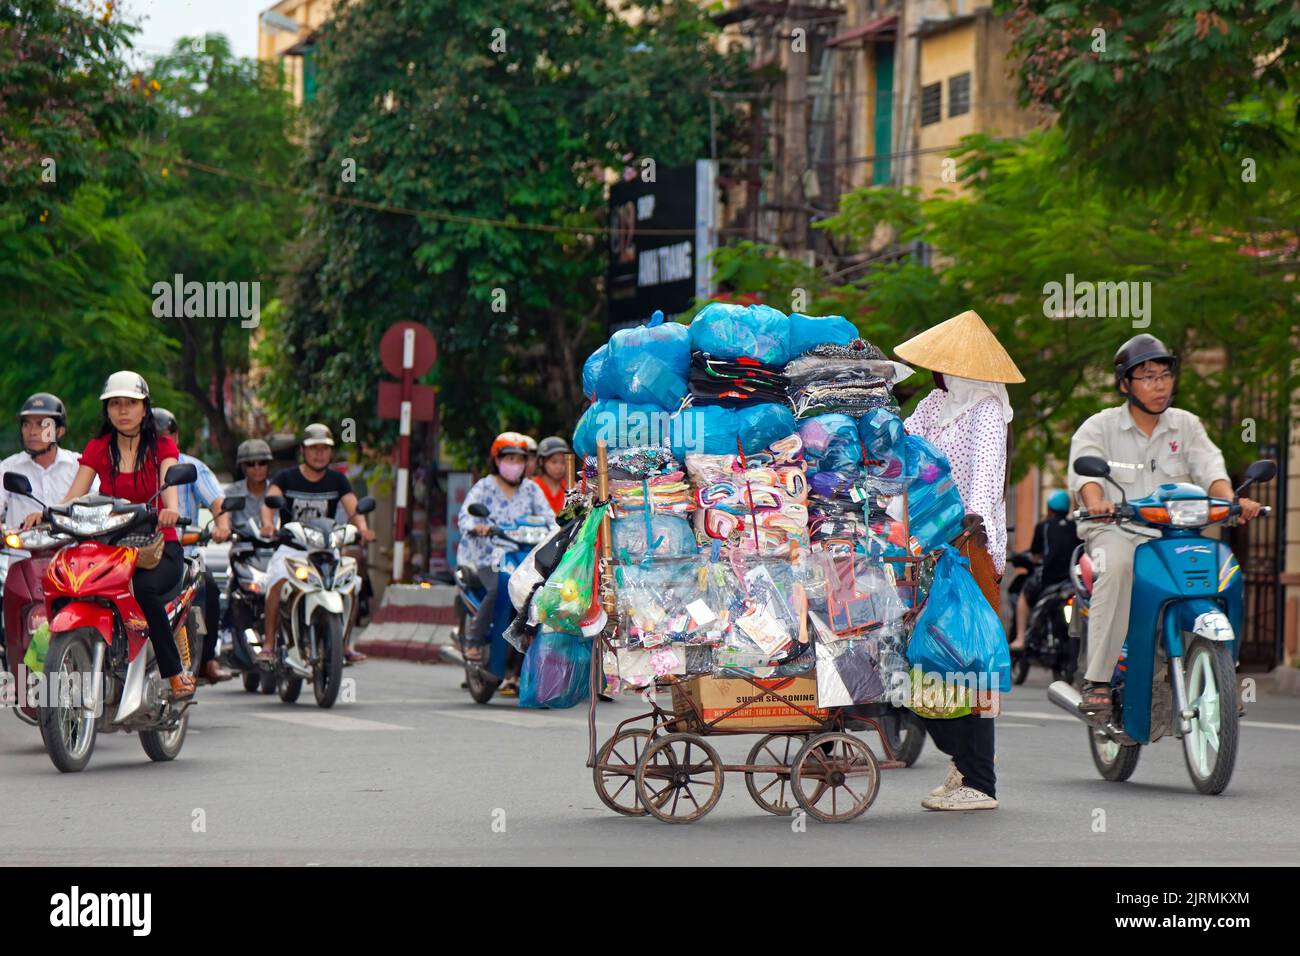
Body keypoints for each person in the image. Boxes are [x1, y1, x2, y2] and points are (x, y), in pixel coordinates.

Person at [1068, 334, 1261, 718]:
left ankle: (1220, 673)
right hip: (1116, 531)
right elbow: (1086, 475)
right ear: (1125, 384)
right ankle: (1099, 680)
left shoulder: (1186, 426)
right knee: (1119, 566)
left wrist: (1231, 502)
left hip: (1176, 536)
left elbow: (1212, 471)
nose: (1159, 385)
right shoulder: (1099, 427)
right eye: (1148, 376)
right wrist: (1097, 503)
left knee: (1220, 570)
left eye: (1165, 375)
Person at [895, 309, 1023, 812]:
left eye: (943, 366)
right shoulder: (937, 403)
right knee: (928, 658)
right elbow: (904, 445)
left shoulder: (987, 410)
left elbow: (985, 481)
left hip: (969, 546)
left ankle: (981, 782)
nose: (935, 374)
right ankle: (962, 763)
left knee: (967, 659)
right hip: (929, 544)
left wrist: (968, 524)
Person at [46, 372, 195, 697]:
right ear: (107, 410)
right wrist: (46, 513)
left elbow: (169, 488)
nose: (122, 410)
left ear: (145, 408)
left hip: (156, 546)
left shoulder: (162, 445)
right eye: (115, 404)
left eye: (130, 403)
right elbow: (73, 494)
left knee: (143, 588)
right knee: (77, 585)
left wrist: (169, 509)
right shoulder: (99, 448)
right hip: (110, 549)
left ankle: (172, 672)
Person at [257, 424, 375, 664]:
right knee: (276, 583)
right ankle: (268, 644)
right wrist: (268, 524)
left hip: (327, 549)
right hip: (293, 549)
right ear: (303, 451)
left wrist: (362, 529)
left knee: (351, 584)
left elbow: (353, 507)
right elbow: (269, 504)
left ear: (331, 452)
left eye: (324, 448)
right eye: (314, 448)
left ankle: (343, 645)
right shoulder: (286, 477)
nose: (319, 453)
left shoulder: (338, 480)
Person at [457, 432, 555, 695]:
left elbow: (550, 518)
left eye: (520, 459)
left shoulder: (532, 489)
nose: (515, 464)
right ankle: (474, 640)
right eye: (509, 458)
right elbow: (466, 515)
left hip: (525, 559)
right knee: (499, 585)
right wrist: (477, 526)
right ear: (497, 460)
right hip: (489, 557)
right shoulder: (484, 487)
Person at [151, 409, 233, 684]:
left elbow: (217, 502)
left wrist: (222, 525)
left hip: (183, 554)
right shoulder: (133, 465)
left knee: (207, 588)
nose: (161, 443)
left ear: (176, 437)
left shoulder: (192, 467)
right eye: (154, 437)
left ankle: (208, 658)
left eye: (166, 437)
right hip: (137, 554)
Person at [1, 392, 97, 529]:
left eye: (42, 424)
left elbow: (98, 504)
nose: (32, 432)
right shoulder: (7, 467)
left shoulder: (80, 465)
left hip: (70, 548)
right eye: (26, 424)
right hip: (21, 548)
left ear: (60, 431)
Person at [1011, 489, 1081, 649]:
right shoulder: (1075, 527)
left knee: (1024, 595)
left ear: (1049, 509)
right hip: (1071, 580)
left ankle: (1020, 638)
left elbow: (1036, 555)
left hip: (1048, 578)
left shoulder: (1044, 526)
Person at [223, 438, 274, 535]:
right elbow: (224, 521)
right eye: (250, 464)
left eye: (262, 462)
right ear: (242, 467)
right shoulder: (231, 492)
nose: (257, 468)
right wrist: (223, 529)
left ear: (268, 465)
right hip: (242, 547)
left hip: (276, 547)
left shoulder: (277, 490)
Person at [532, 436, 572, 515]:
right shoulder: (532, 486)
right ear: (541, 461)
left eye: (563, 462)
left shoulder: (571, 487)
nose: (559, 467)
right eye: (554, 462)